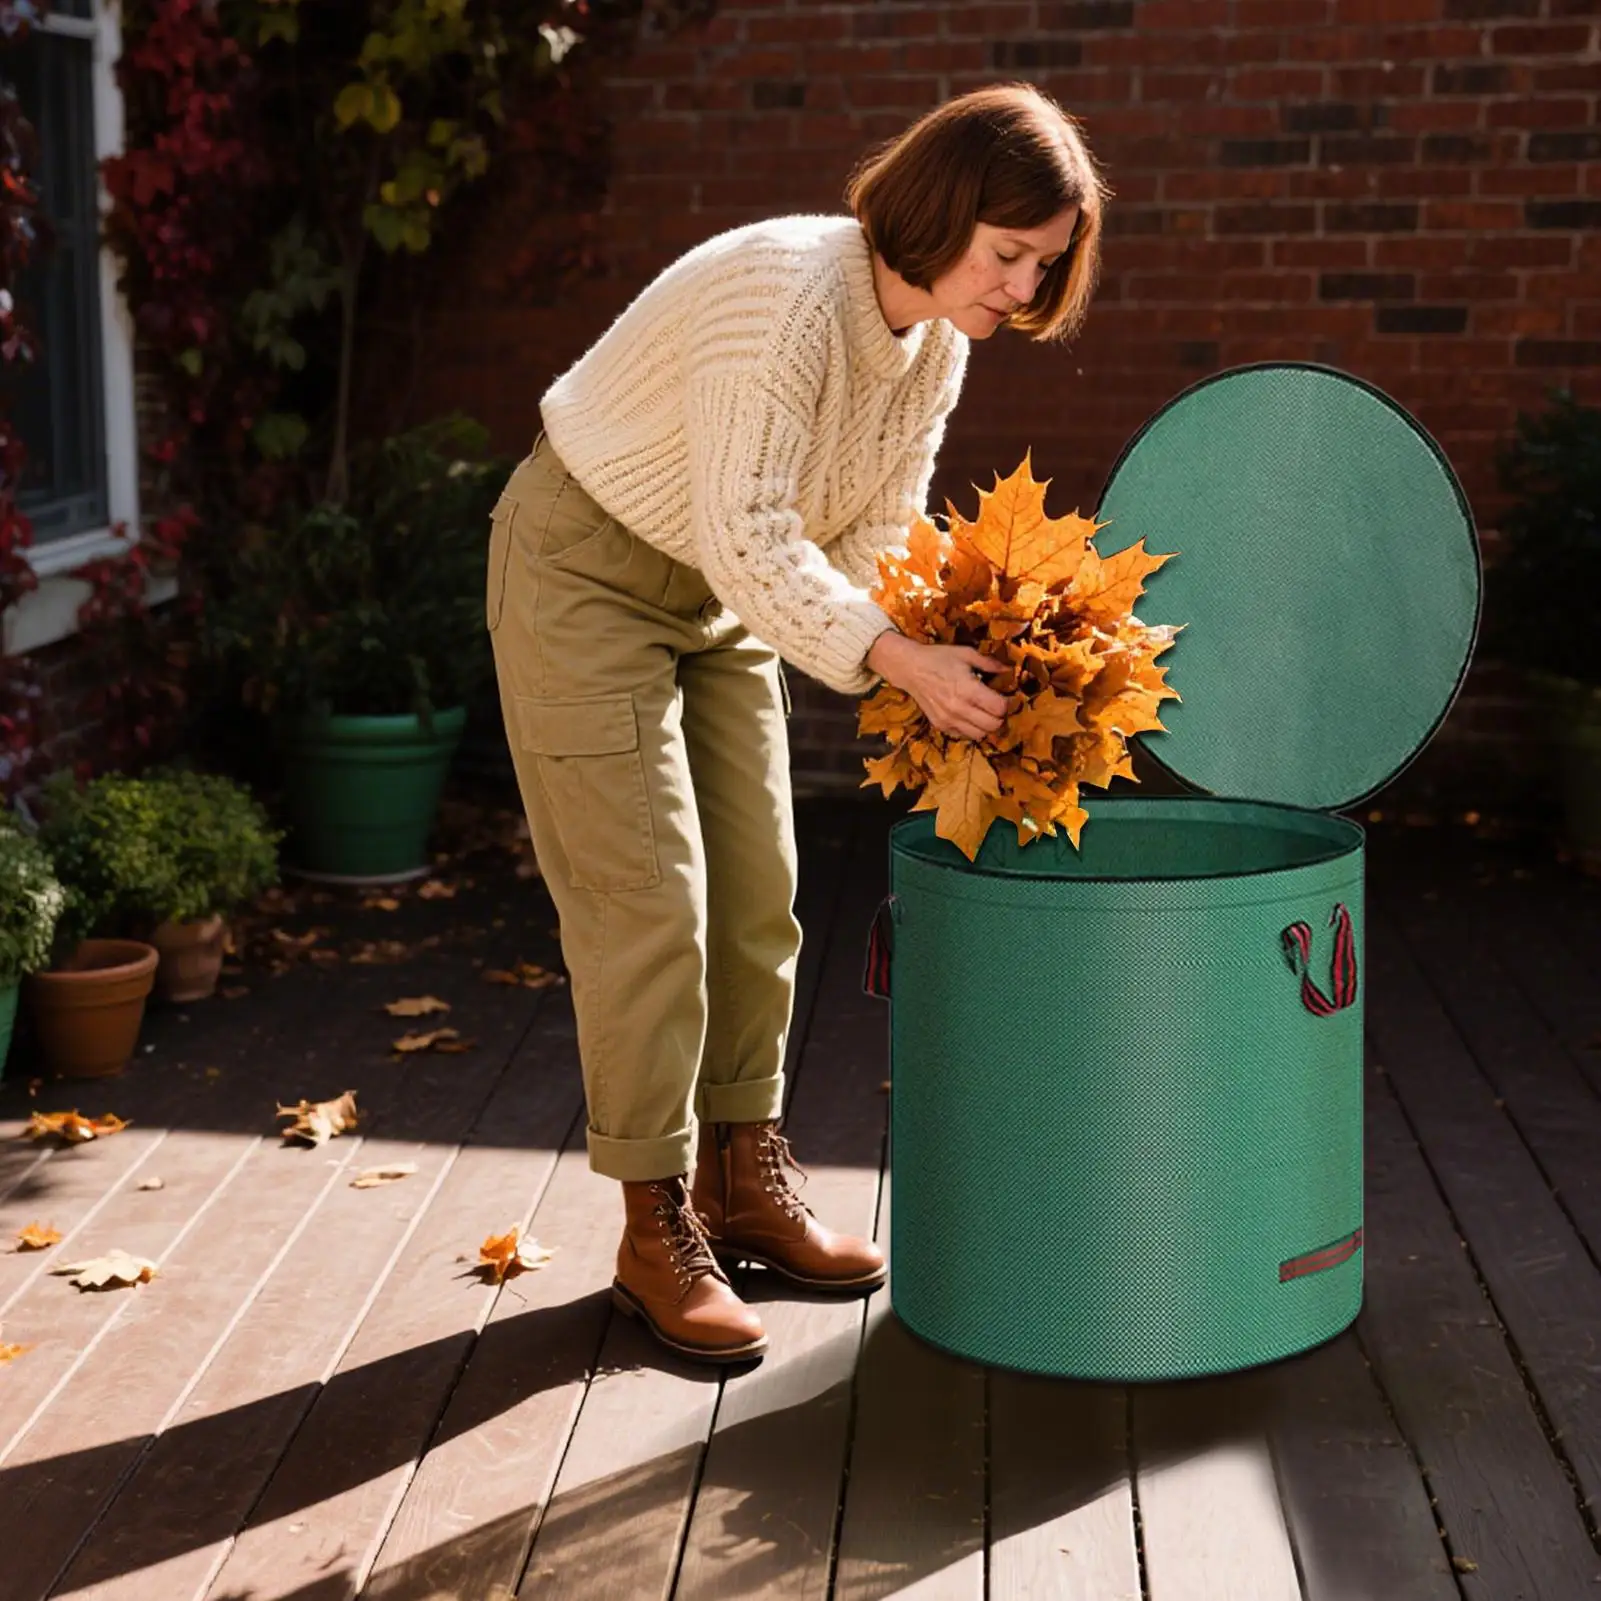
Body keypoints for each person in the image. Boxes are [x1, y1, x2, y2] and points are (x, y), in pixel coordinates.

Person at [485, 83, 1108, 1364]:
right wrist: (896, 660)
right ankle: (653, 1220)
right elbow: (754, 528)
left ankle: (741, 1177)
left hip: (720, 594)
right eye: (1007, 255)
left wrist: (947, 666)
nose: (1020, 287)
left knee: (761, 888)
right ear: (939, 214)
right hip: (583, 568)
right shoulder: (782, 297)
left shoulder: (935, 342)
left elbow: (871, 537)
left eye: (1042, 265)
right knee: (648, 900)